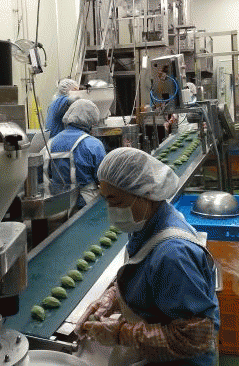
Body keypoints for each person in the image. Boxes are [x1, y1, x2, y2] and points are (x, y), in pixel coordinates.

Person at [76, 147, 219, 365]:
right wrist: (112, 298)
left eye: (116, 201)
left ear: (146, 194)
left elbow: (194, 337)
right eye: (106, 200)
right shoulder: (147, 223)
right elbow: (144, 276)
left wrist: (121, 334)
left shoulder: (173, 256)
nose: (111, 210)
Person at [43, 99, 106, 209]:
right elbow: (103, 179)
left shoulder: (50, 143)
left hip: (56, 206)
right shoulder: (93, 145)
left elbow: (40, 175)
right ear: (91, 120)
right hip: (85, 205)